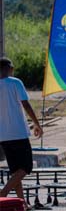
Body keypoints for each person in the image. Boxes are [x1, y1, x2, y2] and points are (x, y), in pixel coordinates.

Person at [0, 57, 43, 202]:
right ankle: (3, 192)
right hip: (18, 132)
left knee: (16, 171)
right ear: (10, 68)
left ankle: (22, 203)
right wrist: (37, 123)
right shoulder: (15, 82)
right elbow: (26, 104)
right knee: (25, 167)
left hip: (3, 135)